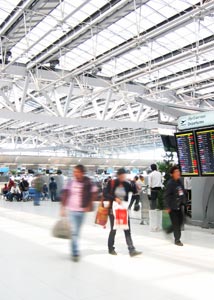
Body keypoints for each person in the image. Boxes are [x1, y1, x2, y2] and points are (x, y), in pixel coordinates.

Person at [60, 165, 98, 262]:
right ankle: (75, 252)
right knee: (74, 232)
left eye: (77, 171)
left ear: (82, 173)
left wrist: (89, 204)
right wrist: (62, 208)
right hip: (72, 210)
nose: (75, 173)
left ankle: (74, 249)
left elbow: (94, 193)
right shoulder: (70, 182)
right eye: (74, 171)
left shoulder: (88, 182)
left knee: (76, 232)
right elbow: (65, 194)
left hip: (82, 211)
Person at [104, 168, 142, 257]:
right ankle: (111, 248)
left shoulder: (126, 184)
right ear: (118, 175)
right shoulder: (112, 183)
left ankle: (131, 249)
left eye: (124, 175)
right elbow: (105, 193)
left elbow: (134, 192)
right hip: (113, 210)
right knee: (114, 229)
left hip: (122, 209)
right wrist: (115, 198)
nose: (123, 177)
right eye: (121, 176)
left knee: (127, 229)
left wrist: (135, 184)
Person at [164, 166, 186, 246]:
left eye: (178, 171)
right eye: (176, 171)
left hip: (179, 206)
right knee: (176, 224)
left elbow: (182, 192)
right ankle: (177, 240)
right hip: (172, 207)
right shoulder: (170, 183)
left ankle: (169, 229)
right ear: (172, 174)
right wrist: (168, 207)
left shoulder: (179, 182)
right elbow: (167, 196)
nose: (178, 173)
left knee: (180, 222)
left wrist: (184, 201)